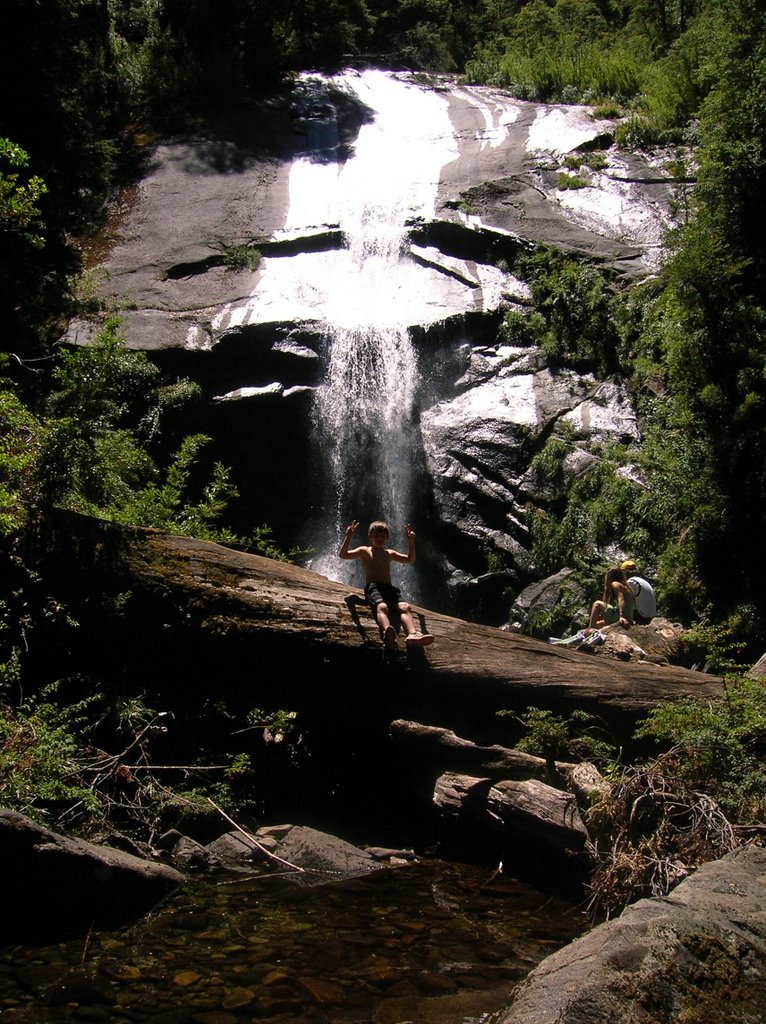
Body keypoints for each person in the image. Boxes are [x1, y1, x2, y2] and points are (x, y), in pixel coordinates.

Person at [339, 519, 434, 649]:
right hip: (373, 588)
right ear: (370, 536)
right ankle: (387, 631)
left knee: (405, 607)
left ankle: (412, 634)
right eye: (376, 535)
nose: (379, 538)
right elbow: (343, 555)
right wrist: (348, 536)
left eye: (382, 536)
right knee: (382, 607)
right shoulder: (364, 550)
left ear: (387, 538)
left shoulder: (389, 553)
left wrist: (411, 542)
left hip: (389, 589)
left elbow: (410, 559)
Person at [620, 560, 657, 624]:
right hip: (651, 616)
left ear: (624, 572)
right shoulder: (642, 581)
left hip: (641, 617)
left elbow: (627, 602)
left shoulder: (631, 582)